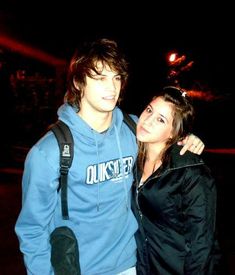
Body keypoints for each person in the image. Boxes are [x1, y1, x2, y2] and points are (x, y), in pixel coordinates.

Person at [15, 38, 204, 275]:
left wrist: (186, 139)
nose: (112, 87)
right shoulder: (48, 152)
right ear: (78, 82)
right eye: (100, 77)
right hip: (79, 268)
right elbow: (32, 229)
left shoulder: (132, 129)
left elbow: (165, 133)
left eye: (116, 77)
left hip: (131, 264)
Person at [132, 86, 221, 275]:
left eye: (161, 120)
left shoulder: (190, 172)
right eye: (149, 110)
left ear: (174, 133)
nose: (147, 121)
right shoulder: (133, 157)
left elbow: (201, 244)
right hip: (147, 266)